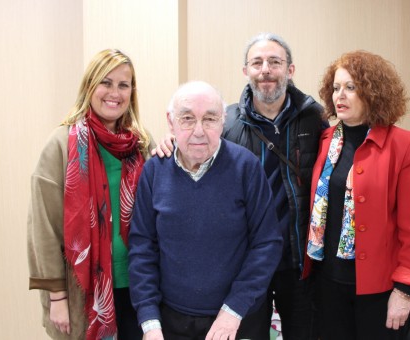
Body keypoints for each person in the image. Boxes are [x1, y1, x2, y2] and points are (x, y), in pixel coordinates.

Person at [153, 33, 325, 339]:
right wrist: (172, 141)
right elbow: (198, 149)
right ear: (245, 71)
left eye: (275, 62)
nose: (265, 70)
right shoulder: (226, 122)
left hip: (298, 260)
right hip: (246, 263)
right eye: (257, 62)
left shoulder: (315, 119)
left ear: (291, 69)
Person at [129, 81, 283, 340]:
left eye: (210, 119)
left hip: (238, 319)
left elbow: (267, 244)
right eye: (187, 119)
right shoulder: (155, 170)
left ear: (223, 121)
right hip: (171, 322)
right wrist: (149, 322)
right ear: (171, 121)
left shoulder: (246, 167)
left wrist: (233, 311)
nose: (199, 131)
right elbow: (142, 248)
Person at [302, 50, 410, 339]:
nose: (341, 95)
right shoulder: (326, 141)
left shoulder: (407, 146)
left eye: (351, 87)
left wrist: (405, 291)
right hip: (328, 285)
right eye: (336, 88)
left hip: (380, 291)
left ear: (374, 93)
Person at [27, 49, 154, 340]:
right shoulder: (61, 144)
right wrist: (57, 298)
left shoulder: (141, 143)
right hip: (81, 292)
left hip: (137, 288)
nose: (115, 93)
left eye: (124, 85)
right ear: (89, 85)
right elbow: (43, 227)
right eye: (106, 82)